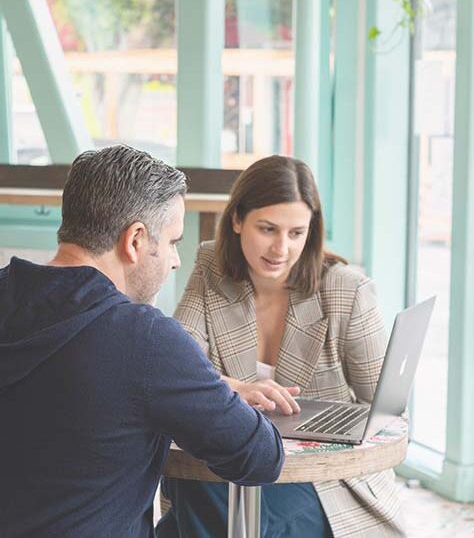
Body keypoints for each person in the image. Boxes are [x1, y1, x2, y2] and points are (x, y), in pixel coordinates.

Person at [0, 145, 284, 538]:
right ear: (134, 240)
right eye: (171, 242)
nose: (176, 260)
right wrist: (209, 389)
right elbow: (261, 457)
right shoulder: (144, 339)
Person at [158, 155, 406, 538]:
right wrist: (236, 389)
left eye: (296, 233)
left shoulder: (346, 291)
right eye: (268, 228)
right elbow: (175, 364)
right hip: (230, 463)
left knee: (191, 515)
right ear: (237, 220)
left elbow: (388, 413)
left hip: (324, 483)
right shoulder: (212, 265)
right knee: (199, 486)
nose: (281, 248)